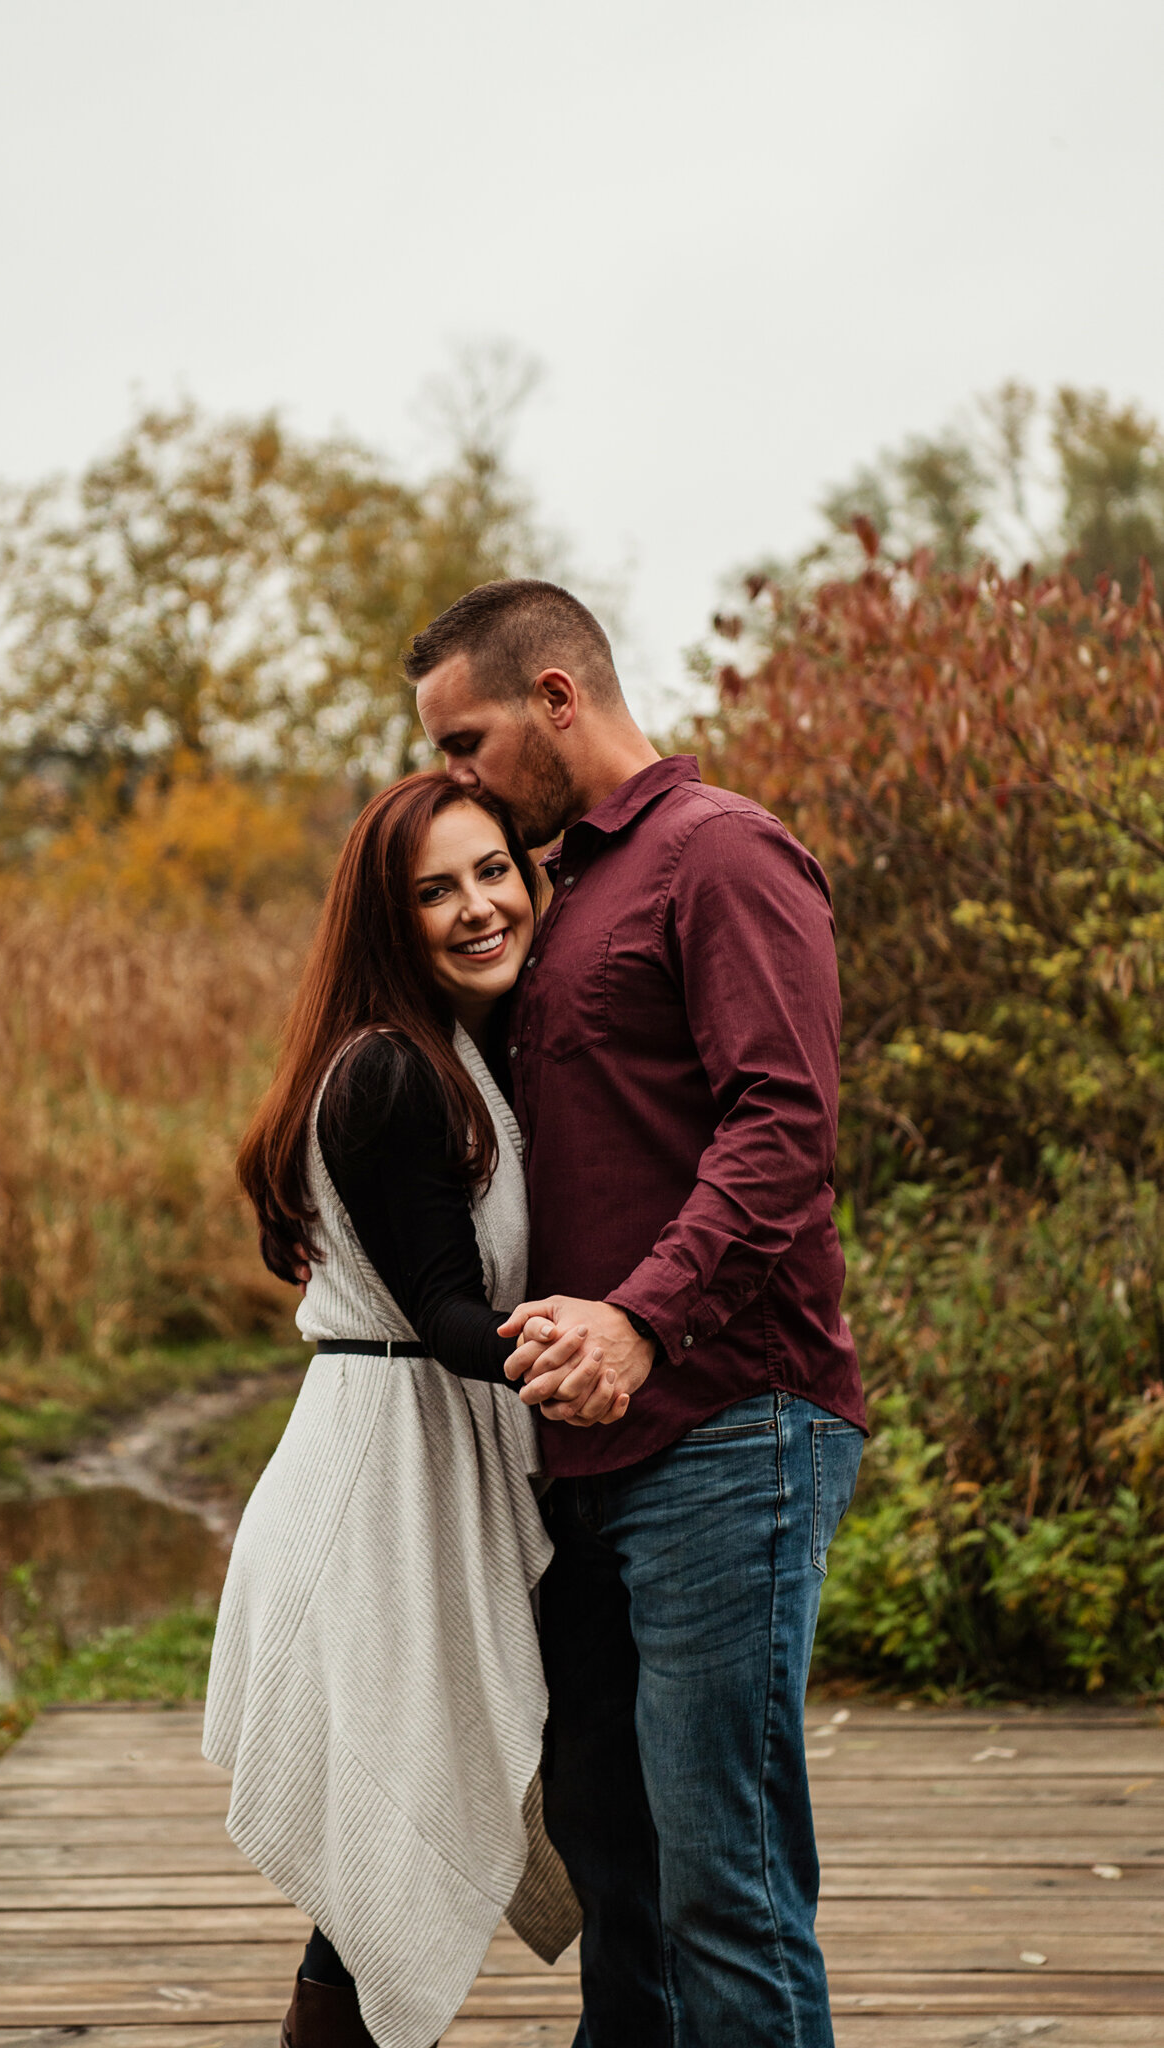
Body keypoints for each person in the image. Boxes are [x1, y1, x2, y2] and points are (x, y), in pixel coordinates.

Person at [409, 579, 868, 2048]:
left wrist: (639, 1323)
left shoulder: (715, 855)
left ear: (555, 699)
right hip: (587, 1465)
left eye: (465, 740)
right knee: (619, 1879)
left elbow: (780, 1128)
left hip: (729, 1424)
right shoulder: (554, 899)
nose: (449, 778)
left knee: (721, 1884)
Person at [202, 773, 612, 2048]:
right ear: (387, 918)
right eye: (435, 889)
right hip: (379, 1495)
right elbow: (442, 1312)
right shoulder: (387, 1071)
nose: (480, 905)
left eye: (494, 869)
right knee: (382, 1859)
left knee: (390, 1855)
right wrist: (604, 1342)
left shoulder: (458, 1050)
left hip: (412, 1472)